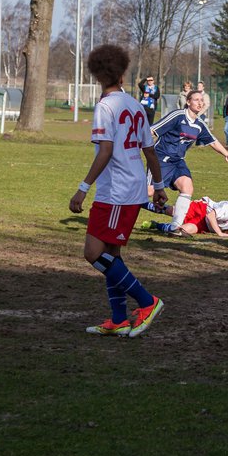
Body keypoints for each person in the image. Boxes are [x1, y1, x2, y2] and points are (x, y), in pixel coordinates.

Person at [70, 44, 166, 338]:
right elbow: (150, 152)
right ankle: (119, 319)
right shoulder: (136, 105)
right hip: (134, 187)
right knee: (112, 253)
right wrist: (159, 186)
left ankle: (148, 302)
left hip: (116, 192)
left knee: (93, 253)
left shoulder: (105, 107)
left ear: (99, 75)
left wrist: (82, 188)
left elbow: (105, 151)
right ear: (122, 74)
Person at [150, 89, 228, 233]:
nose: (200, 102)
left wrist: (226, 154)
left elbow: (213, 141)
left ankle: (174, 227)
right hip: (161, 158)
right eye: (196, 99)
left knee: (187, 186)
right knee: (148, 192)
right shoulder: (178, 115)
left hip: (178, 161)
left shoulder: (199, 124)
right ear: (188, 101)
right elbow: (153, 129)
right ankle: (127, 200)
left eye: (201, 100)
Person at [142, 197, 228, 237]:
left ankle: (156, 225)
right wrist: (220, 233)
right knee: (171, 211)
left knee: (180, 231)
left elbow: (227, 228)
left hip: (204, 225)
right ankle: (141, 203)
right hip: (201, 209)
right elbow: (210, 216)